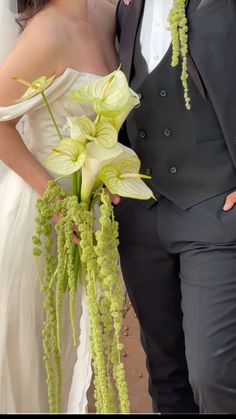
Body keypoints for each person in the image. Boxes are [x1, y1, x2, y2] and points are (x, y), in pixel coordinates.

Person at [115, 0, 236, 414]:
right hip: (142, 215)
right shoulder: (125, 7)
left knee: (215, 374)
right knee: (167, 377)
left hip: (214, 207)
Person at [0, 0, 118, 413]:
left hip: (93, 218)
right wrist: (57, 200)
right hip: (41, 218)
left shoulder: (109, 14)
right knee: (39, 359)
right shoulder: (46, 31)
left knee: (78, 356)